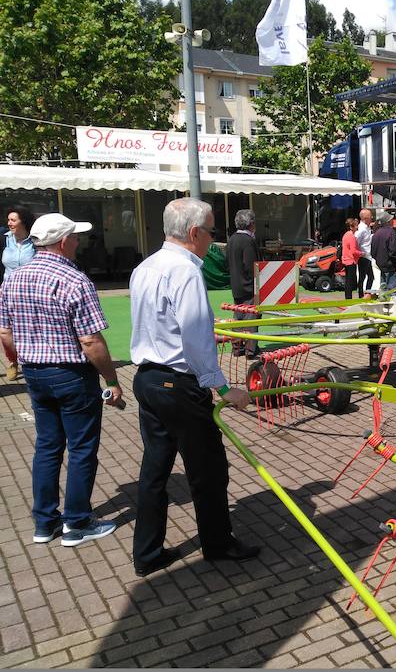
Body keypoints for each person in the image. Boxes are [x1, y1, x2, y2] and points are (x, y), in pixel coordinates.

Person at [130, 197, 257, 577]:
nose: (212, 240)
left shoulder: (146, 266)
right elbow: (195, 336)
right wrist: (222, 388)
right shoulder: (184, 271)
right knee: (208, 469)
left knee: (155, 469)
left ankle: (147, 552)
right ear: (194, 233)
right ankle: (218, 543)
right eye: (211, 232)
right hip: (178, 383)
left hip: (148, 379)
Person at [0, 213, 123, 546]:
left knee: (48, 446)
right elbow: (91, 341)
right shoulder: (74, 279)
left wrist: (21, 359)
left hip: (35, 373)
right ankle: (78, 522)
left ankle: (45, 522)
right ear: (63, 241)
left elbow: (6, 334)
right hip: (71, 374)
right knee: (82, 449)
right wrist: (112, 380)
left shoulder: (13, 278)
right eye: (75, 236)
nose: (78, 241)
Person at [1, 205, 37, 380]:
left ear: (24, 221)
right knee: (5, 331)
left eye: (13, 220)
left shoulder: (36, 242)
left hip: (30, 292)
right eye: (8, 220)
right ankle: (13, 360)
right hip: (6, 291)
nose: (9, 223)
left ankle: (31, 361)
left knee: (29, 328)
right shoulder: (4, 240)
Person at [226, 209, 258, 358]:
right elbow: (251, 265)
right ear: (251, 224)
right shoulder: (248, 241)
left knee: (238, 316)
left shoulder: (231, 239)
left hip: (236, 284)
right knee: (251, 317)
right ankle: (250, 350)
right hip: (249, 285)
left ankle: (237, 348)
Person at [370, 210, 396, 292]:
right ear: (388, 221)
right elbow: (394, 250)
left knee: (384, 292)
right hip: (392, 267)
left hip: (382, 267)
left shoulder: (376, 233)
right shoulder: (391, 233)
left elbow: (373, 252)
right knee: (391, 292)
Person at [341, 218, 364, 300]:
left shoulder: (346, 235)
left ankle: (348, 297)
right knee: (350, 281)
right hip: (351, 261)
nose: (357, 227)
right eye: (355, 225)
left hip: (345, 259)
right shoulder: (351, 237)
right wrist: (361, 253)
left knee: (348, 280)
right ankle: (348, 298)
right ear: (351, 227)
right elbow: (353, 251)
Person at [355, 208, 374, 298]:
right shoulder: (361, 229)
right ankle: (361, 295)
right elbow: (356, 240)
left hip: (367, 256)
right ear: (365, 218)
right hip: (363, 256)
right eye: (370, 216)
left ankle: (366, 294)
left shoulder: (366, 227)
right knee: (363, 277)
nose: (372, 218)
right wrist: (359, 252)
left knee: (370, 277)